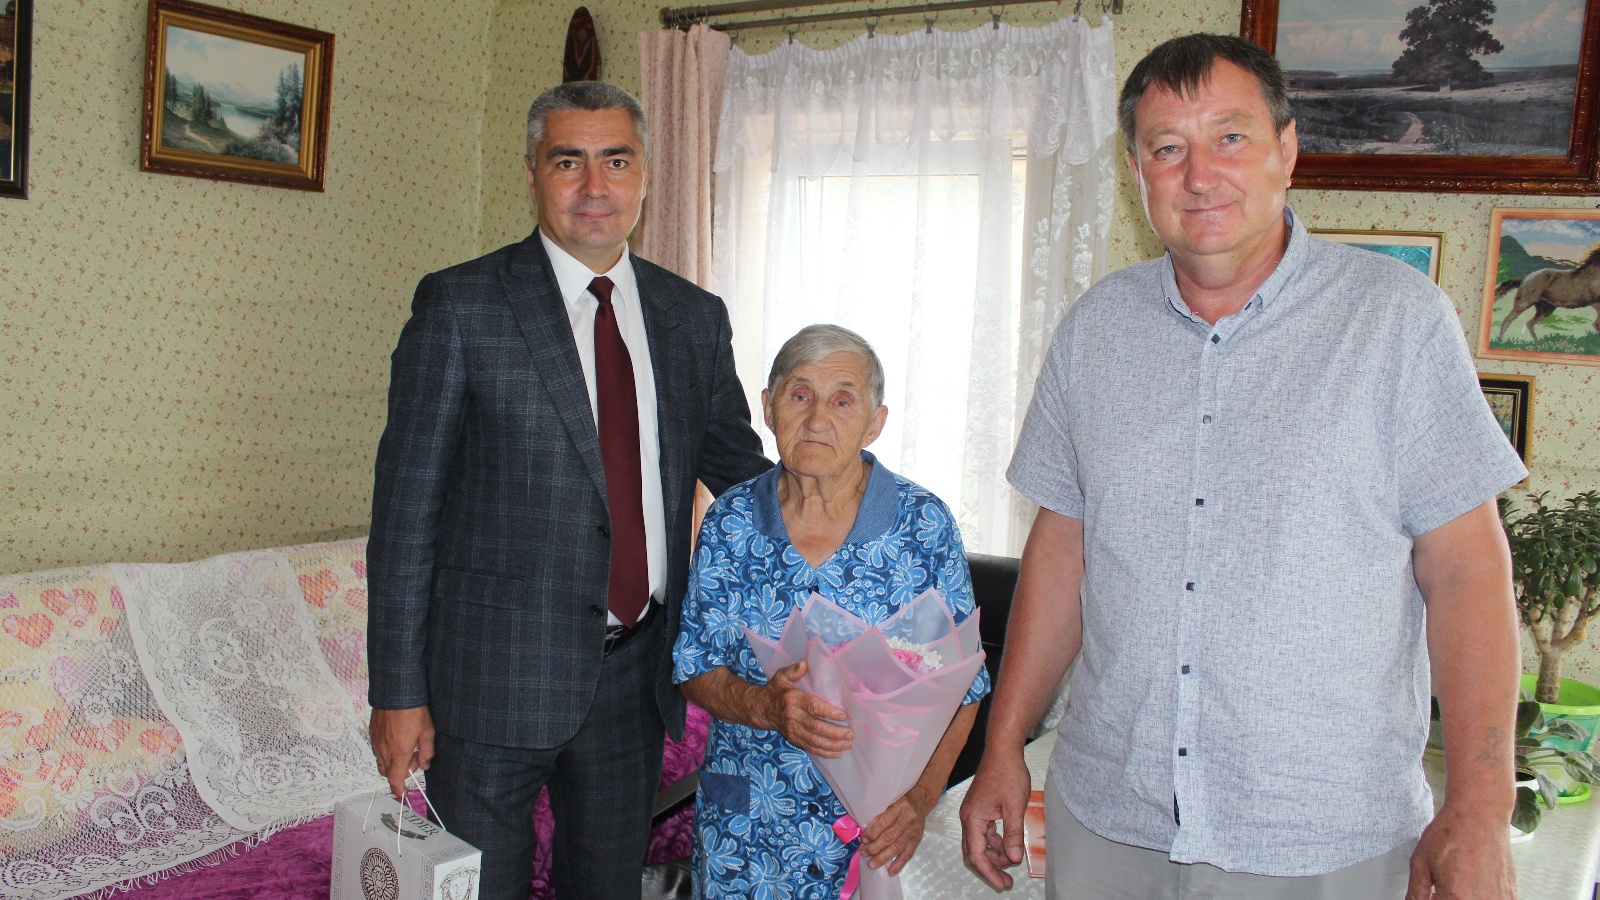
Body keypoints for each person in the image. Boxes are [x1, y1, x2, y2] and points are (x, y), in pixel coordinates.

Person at [960, 33, 1528, 900]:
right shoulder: (1094, 332)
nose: (1200, 174)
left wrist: (1481, 809)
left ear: (1286, 149)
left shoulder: (1397, 321)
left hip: (1322, 835)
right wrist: (1003, 745)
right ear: (1135, 171)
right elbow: (1061, 551)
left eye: (1230, 137)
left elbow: (1467, 572)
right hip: (1110, 817)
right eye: (1167, 148)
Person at [366, 81, 771, 900]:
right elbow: (405, 516)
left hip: (634, 679)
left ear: (645, 175)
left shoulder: (693, 317)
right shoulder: (461, 306)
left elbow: (742, 476)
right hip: (489, 684)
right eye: (568, 162)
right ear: (531, 175)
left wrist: (861, 515)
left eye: (616, 161)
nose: (594, 186)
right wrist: (397, 695)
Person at [673, 324, 990, 898]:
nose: (817, 418)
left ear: (875, 422)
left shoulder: (922, 524)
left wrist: (920, 800)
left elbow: (965, 685)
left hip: (875, 833)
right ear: (768, 408)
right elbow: (695, 666)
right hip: (748, 833)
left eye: (842, 401)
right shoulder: (731, 522)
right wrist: (765, 707)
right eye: (800, 395)